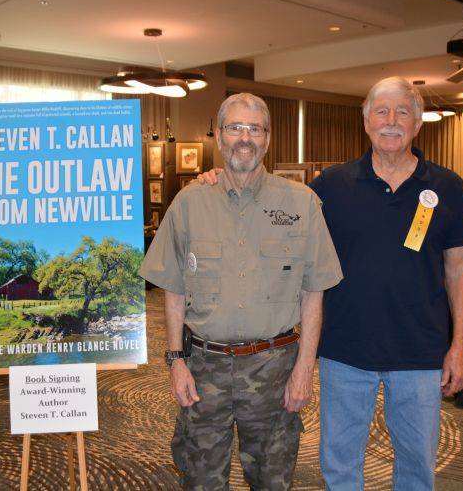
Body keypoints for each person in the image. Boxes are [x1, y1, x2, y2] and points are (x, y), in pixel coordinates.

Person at [199, 77, 463, 490]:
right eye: (381, 111)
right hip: (344, 353)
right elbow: (273, 208)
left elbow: (460, 269)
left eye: (403, 112)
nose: (391, 121)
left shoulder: (447, 186)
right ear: (365, 122)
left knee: (418, 469)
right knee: (341, 468)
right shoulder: (332, 185)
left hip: (420, 352)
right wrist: (223, 180)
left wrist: (460, 345)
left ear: (418, 124)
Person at [139, 93, 343, 490]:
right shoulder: (189, 203)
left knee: (272, 480)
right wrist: (176, 361)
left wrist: (304, 370)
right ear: (218, 135)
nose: (244, 137)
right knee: (200, 479)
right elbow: (174, 292)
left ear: (267, 139)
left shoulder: (302, 204)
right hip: (203, 370)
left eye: (254, 129)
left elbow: (314, 293)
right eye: (234, 127)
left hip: (275, 369)